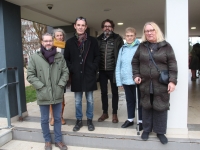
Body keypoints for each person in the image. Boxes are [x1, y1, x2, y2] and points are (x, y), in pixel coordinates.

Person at [132, 22, 178, 144]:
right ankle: (146, 130)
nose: (149, 33)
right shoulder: (142, 46)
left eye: (152, 30)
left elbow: (172, 65)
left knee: (161, 106)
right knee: (146, 106)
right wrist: (136, 75)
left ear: (156, 31)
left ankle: (160, 132)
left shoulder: (166, 46)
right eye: (146, 31)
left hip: (161, 84)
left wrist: (172, 81)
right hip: (145, 83)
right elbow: (135, 62)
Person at [27, 33, 69, 150]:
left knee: (57, 118)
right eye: (46, 41)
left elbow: (65, 72)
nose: (48, 43)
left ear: (53, 41)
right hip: (43, 94)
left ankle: (58, 140)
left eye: (50, 41)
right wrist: (40, 87)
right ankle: (47, 141)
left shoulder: (59, 56)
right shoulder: (35, 57)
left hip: (57, 92)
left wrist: (61, 85)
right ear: (42, 42)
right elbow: (30, 75)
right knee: (44, 119)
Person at [64, 16, 99, 132]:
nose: (80, 27)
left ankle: (89, 120)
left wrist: (93, 67)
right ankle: (78, 120)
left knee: (90, 99)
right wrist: (72, 68)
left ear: (86, 27)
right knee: (77, 100)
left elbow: (97, 57)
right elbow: (66, 59)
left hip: (89, 75)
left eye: (82, 25)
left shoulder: (93, 41)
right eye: (78, 25)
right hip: (76, 76)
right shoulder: (69, 42)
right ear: (75, 26)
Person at [97, 19, 124, 123]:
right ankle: (105, 112)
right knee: (103, 92)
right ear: (103, 28)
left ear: (112, 28)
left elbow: (121, 54)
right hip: (102, 71)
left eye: (109, 26)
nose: (107, 28)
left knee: (115, 92)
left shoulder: (118, 39)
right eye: (105, 26)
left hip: (114, 70)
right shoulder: (98, 39)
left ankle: (114, 113)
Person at [115, 27, 142, 129]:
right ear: (125, 37)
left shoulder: (140, 47)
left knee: (139, 101)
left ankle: (140, 120)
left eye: (131, 36)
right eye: (127, 36)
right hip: (126, 80)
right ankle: (130, 119)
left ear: (135, 36)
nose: (129, 38)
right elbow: (118, 65)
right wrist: (119, 81)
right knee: (130, 100)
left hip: (137, 80)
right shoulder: (122, 49)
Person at [49, 28, 67, 126]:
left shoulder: (66, 47)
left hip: (62, 76)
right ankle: (52, 117)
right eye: (58, 35)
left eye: (61, 35)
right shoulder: (50, 47)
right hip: (52, 76)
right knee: (52, 98)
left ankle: (60, 116)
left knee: (61, 98)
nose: (60, 37)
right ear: (54, 37)